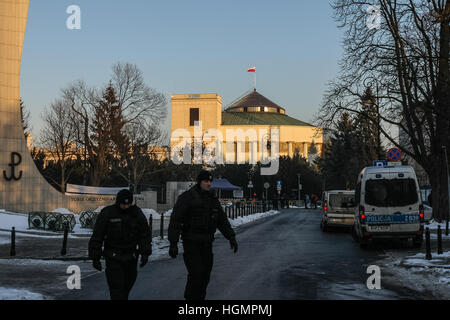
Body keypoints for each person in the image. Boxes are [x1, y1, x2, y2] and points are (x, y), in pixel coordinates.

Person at [168, 170, 238, 300]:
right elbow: (176, 220)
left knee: (205, 275)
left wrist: (231, 237)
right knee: (196, 274)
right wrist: (173, 243)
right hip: (191, 243)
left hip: (206, 244)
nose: (209, 184)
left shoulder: (212, 199)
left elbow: (221, 220)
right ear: (199, 182)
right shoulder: (187, 197)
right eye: (206, 181)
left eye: (210, 181)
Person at [88, 189, 151, 300]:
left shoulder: (136, 213)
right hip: (113, 256)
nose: (125, 207)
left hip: (131, 257)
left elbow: (144, 235)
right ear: (118, 202)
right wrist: (95, 257)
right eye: (123, 204)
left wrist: (145, 253)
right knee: (117, 289)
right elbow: (98, 235)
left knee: (127, 287)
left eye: (128, 204)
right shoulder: (108, 213)